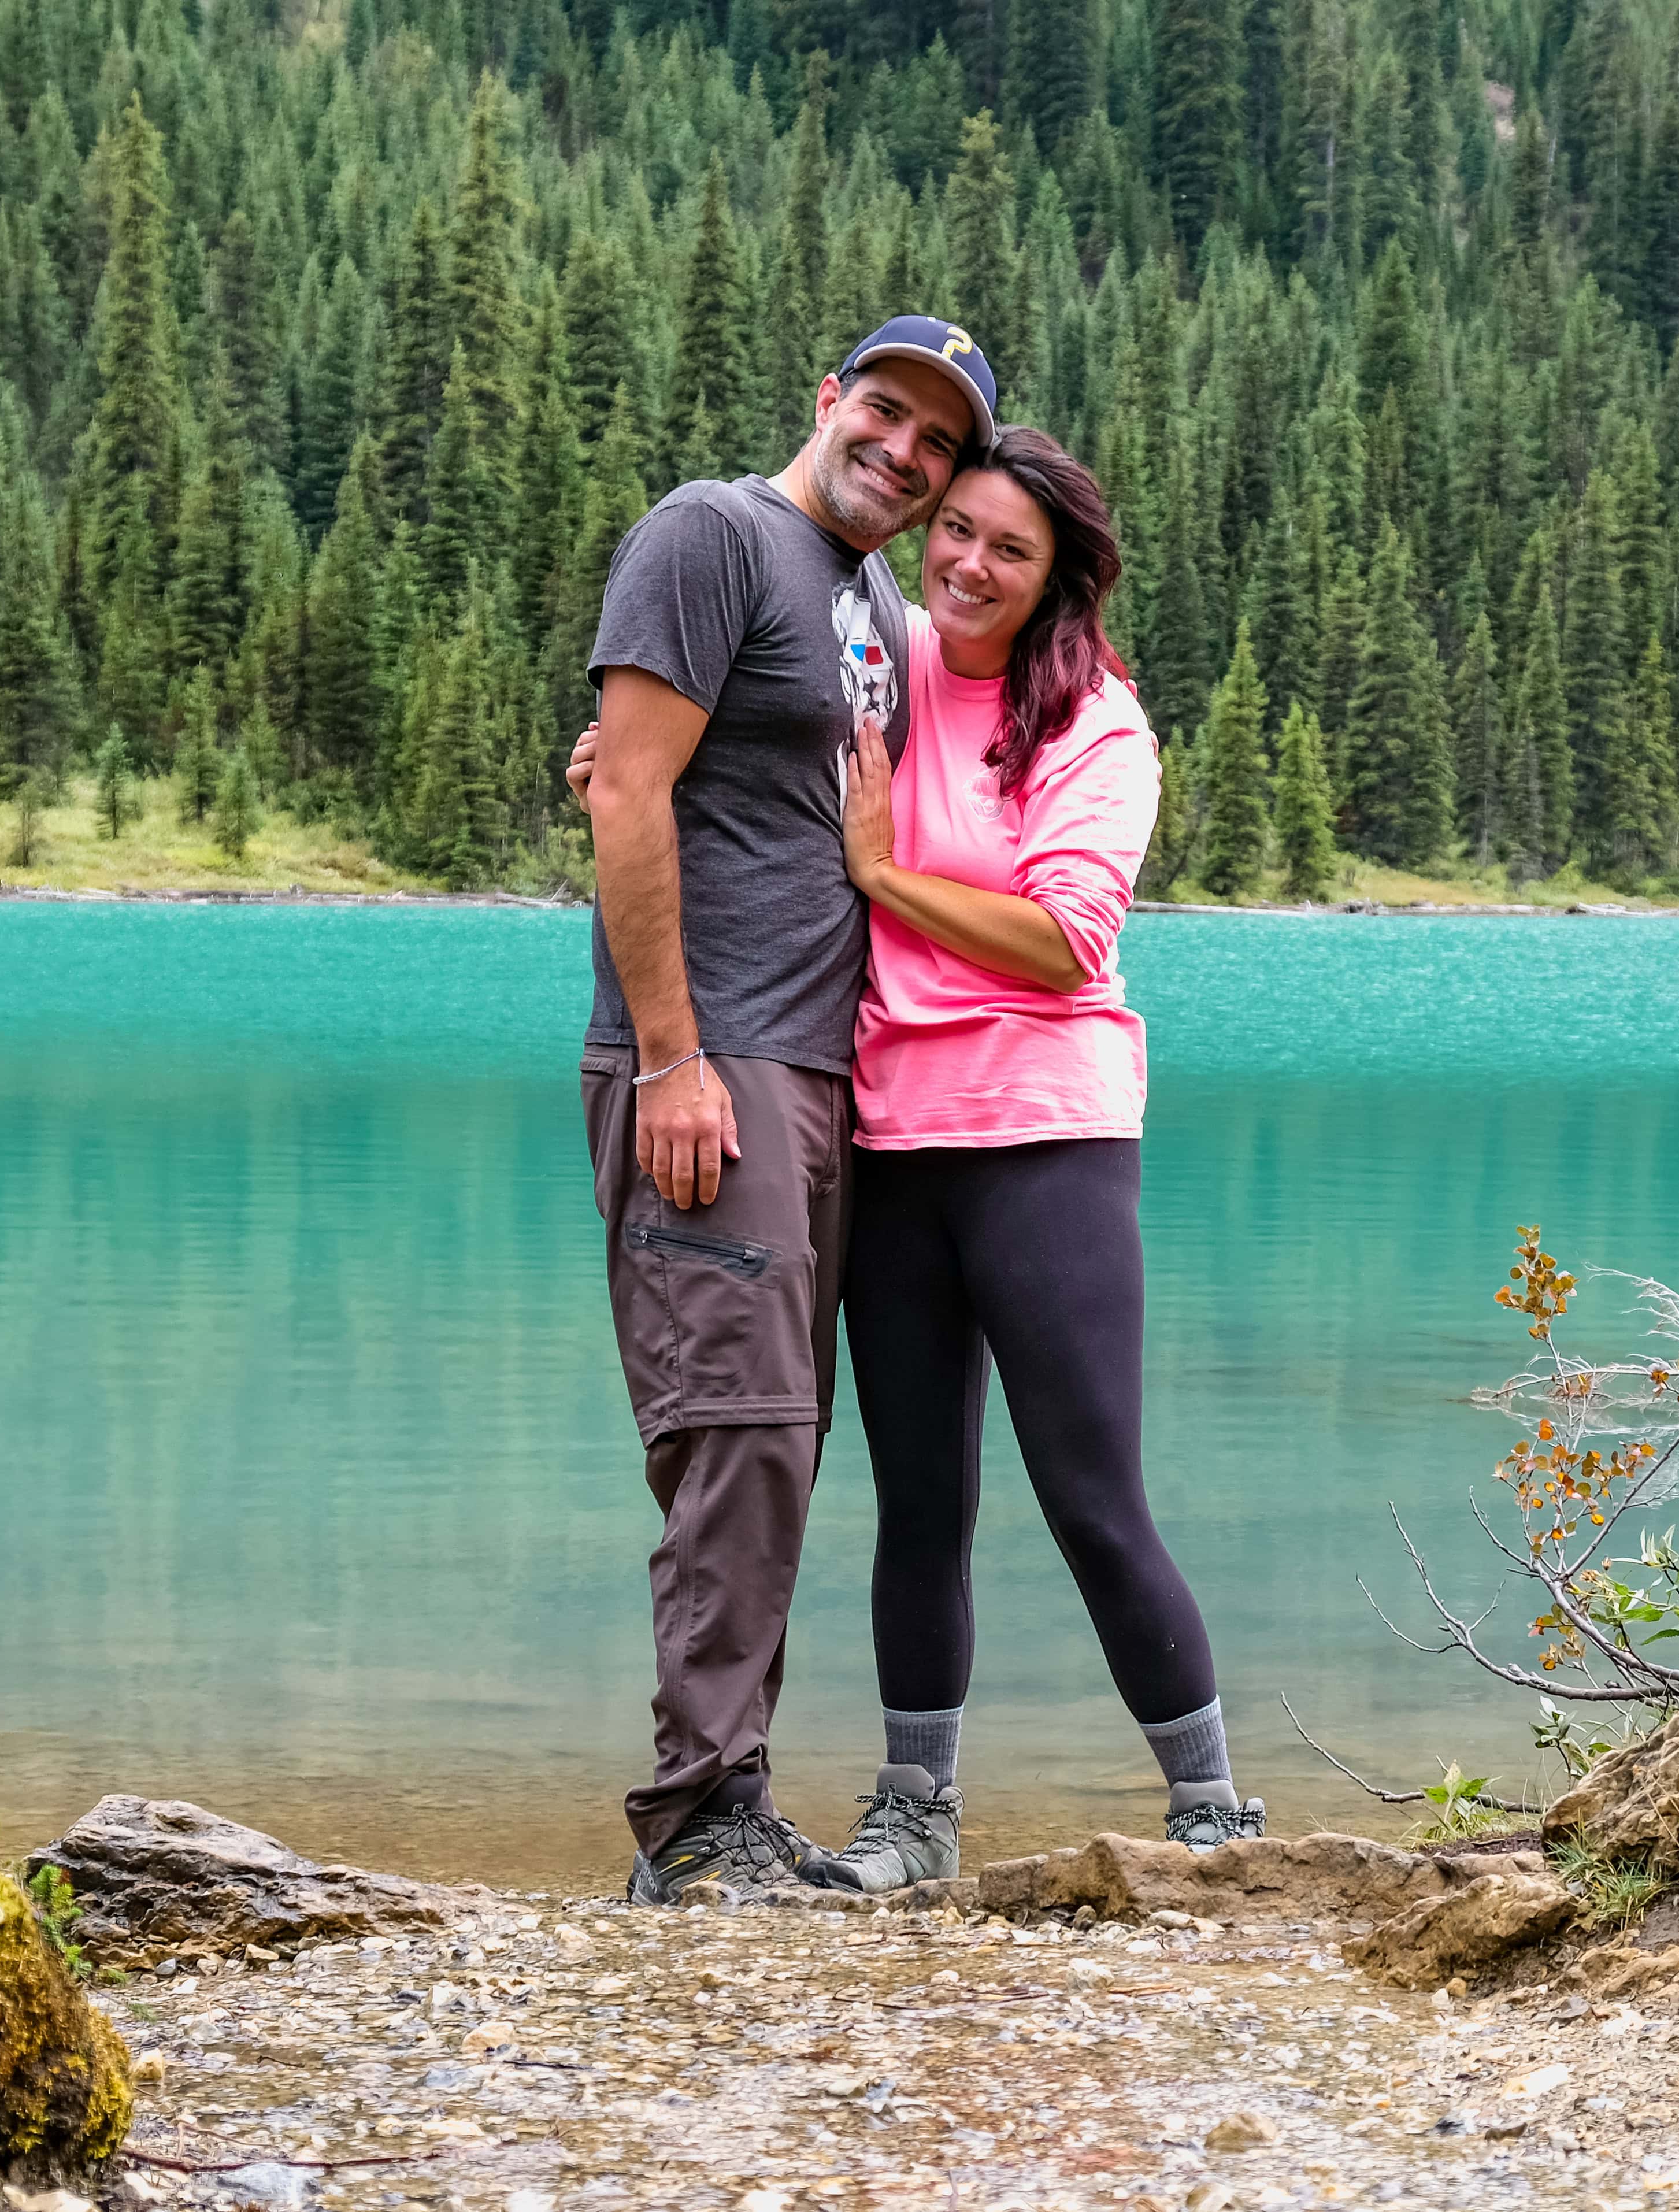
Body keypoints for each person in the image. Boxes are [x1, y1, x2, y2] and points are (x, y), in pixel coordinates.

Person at [572, 428, 1257, 1895]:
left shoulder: (1096, 725)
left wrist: (888, 877)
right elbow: (722, 750)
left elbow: (1074, 940)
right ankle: (914, 1810)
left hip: (1043, 1138)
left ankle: (1210, 1809)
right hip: (885, 1132)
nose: (969, 565)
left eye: (1011, 550)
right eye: (956, 532)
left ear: (1060, 575)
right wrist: (615, 757)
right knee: (919, 1497)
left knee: (1090, 1489)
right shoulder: (880, 663)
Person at [581, 316, 994, 1906]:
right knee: (736, 1431)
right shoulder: (709, 532)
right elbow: (629, 787)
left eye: (936, 445)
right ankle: (695, 1824)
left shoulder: (868, 594)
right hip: (715, 1055)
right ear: (827, 401)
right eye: (883, 414)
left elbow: (701, 776)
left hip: (819, 1063)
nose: (902, 452)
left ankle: (729, 1798)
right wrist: (672, 1055)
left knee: (772, 1438)